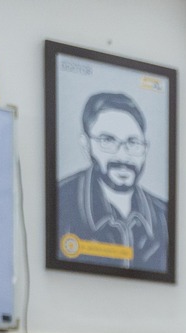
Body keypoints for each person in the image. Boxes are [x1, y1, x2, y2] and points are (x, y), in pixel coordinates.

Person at [56, 91, 169, 273]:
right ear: (86, 144)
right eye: (108, 141)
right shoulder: (60, 202)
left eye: (133, 142)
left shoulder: (164, 216)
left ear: (145, 148)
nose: (123, 156)